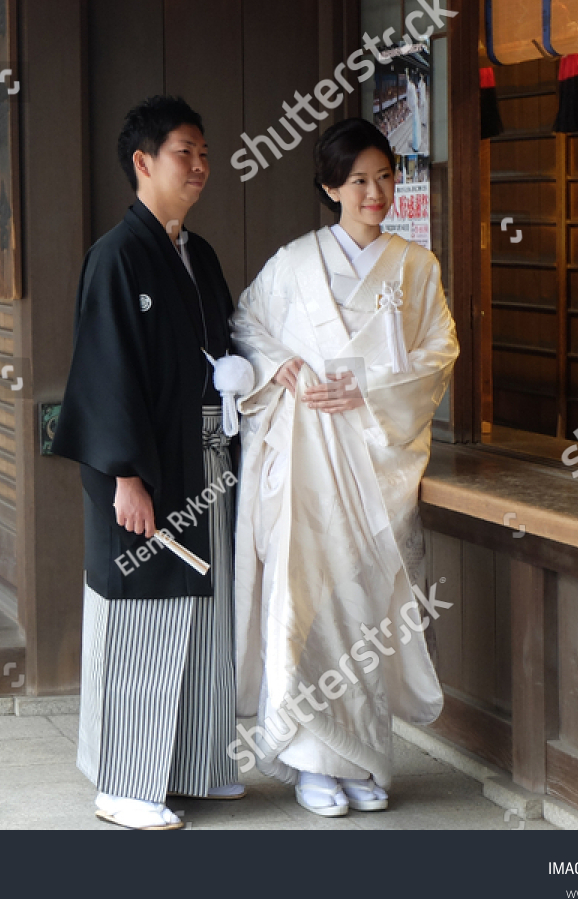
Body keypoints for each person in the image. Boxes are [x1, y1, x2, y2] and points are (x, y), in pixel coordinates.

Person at [228, 117, 458, 817]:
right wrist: (284, 367)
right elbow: (248, 325)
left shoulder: (417, 269)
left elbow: (437, 355)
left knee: (366, 604)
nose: (376, 192)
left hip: (373, 461)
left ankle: (361, 754)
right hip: (303, 461)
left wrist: (368, 390)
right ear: (331, 187)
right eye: (359, 180)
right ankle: (308, 761)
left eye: (385, 177)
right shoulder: (293, 262)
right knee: (304, 601)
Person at [51, 95, 243, 830]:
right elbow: (104, 373)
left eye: (203, 153)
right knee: (143, 610)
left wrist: (243, 377)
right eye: (184, 153)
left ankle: (197, 763)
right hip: (146, 465)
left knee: (204, 608)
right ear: (143, 163)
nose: (199, 166)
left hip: (205, 452)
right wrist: (125, 476)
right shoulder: (116, 255)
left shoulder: (197, 252)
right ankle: (124, 781)